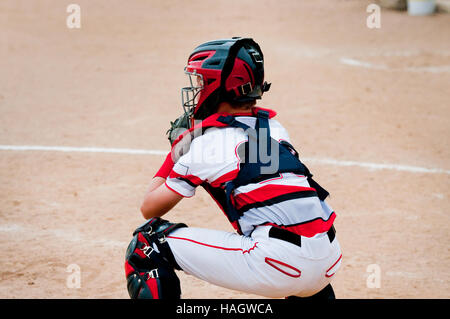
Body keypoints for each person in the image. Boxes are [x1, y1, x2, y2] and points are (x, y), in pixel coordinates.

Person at [124, 37, 342, 300]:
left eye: (202, 81)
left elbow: (149, 208)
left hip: (279, 264)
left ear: (218, 88)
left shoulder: (208, 143)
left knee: (147, 244)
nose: (197, 88)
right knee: (299, 260)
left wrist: (177, 152)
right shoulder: (275, 129)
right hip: (327, 262)